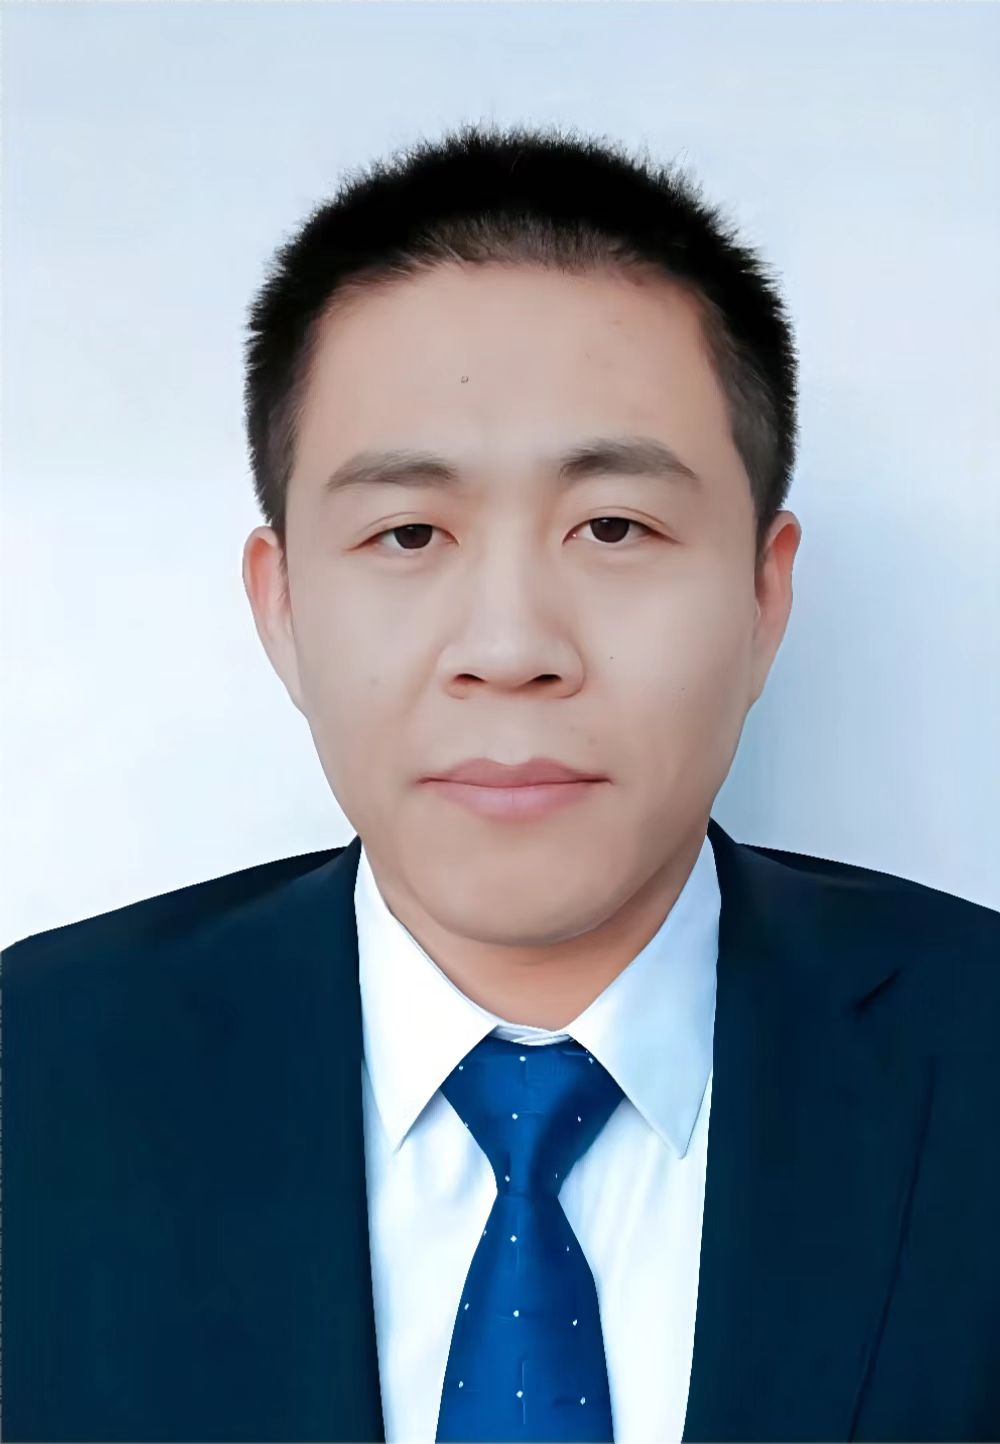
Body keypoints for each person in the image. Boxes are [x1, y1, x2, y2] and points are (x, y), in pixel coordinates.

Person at [2, 119, 998, 1444]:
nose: (512, 646)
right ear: (282, 606)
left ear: (765, 597)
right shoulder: (34, 1081)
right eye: (410, 533)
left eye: (614, 526)